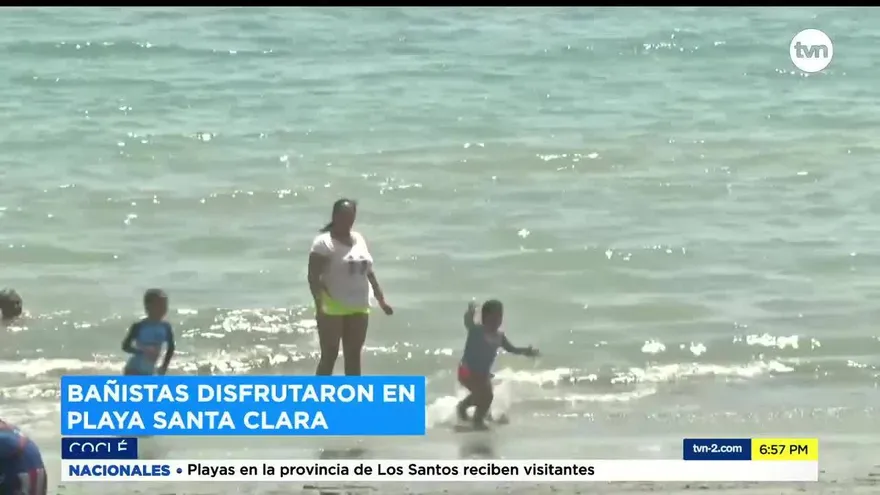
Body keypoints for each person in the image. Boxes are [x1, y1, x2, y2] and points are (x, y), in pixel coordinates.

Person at [307, 198, 393, 376]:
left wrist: (381, 300)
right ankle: (317, 398)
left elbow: (368, 271)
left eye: (351, 217)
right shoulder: (323, 243)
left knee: (353, 356)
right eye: (344, 216)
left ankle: (353, 400)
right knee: (329, 355)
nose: (348, 221)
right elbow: (313, 277)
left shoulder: (358, 239)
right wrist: (319, 304)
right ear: (335, 216)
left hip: (359, 305)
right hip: (332, 306)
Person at [456, 299, 538, 430]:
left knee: (484, 396)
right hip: (467, 371)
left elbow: (511, 349)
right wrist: (470, 312)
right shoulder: (477, 331)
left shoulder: (499, 337)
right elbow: (468, 322)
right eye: (492, 319)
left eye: (498, 318)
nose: (496, 322)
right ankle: (477, 420)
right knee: (485, 396)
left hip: (483, 375)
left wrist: (526, 351)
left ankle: (464, 408)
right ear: (484, 318)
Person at [121, 289, 176, 376]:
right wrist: (141, 350)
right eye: (159, 305)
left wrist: (164, 366)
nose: (163, 309)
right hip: (134, 368)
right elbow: (125, 346)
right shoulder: (139, 326)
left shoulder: (166, 327)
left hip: (150, 370)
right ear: (148, 307)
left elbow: (171, 348)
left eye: (164, 305)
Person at [0, 419, 47, 495]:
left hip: (25, 474)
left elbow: (17, 446)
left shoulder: (4, 438)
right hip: (33, 471)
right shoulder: (10, 429)